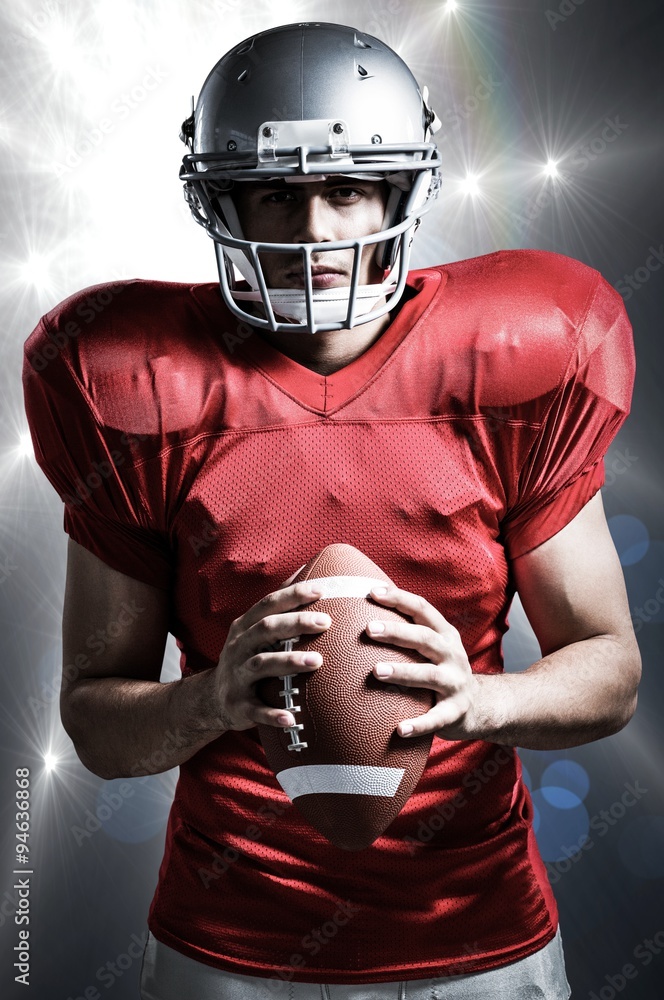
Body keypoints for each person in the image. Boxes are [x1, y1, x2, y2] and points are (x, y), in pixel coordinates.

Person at [22, 21, 640, 1000]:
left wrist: (484, 698)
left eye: (347, 189)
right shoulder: (131, 380)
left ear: (402, 190)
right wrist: (210, 700)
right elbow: (97, 719)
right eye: (275, 193)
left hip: (481, 940)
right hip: (230, 947)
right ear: (218, 200)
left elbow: (610, 671)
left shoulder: (518, 355)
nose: (313, 233)